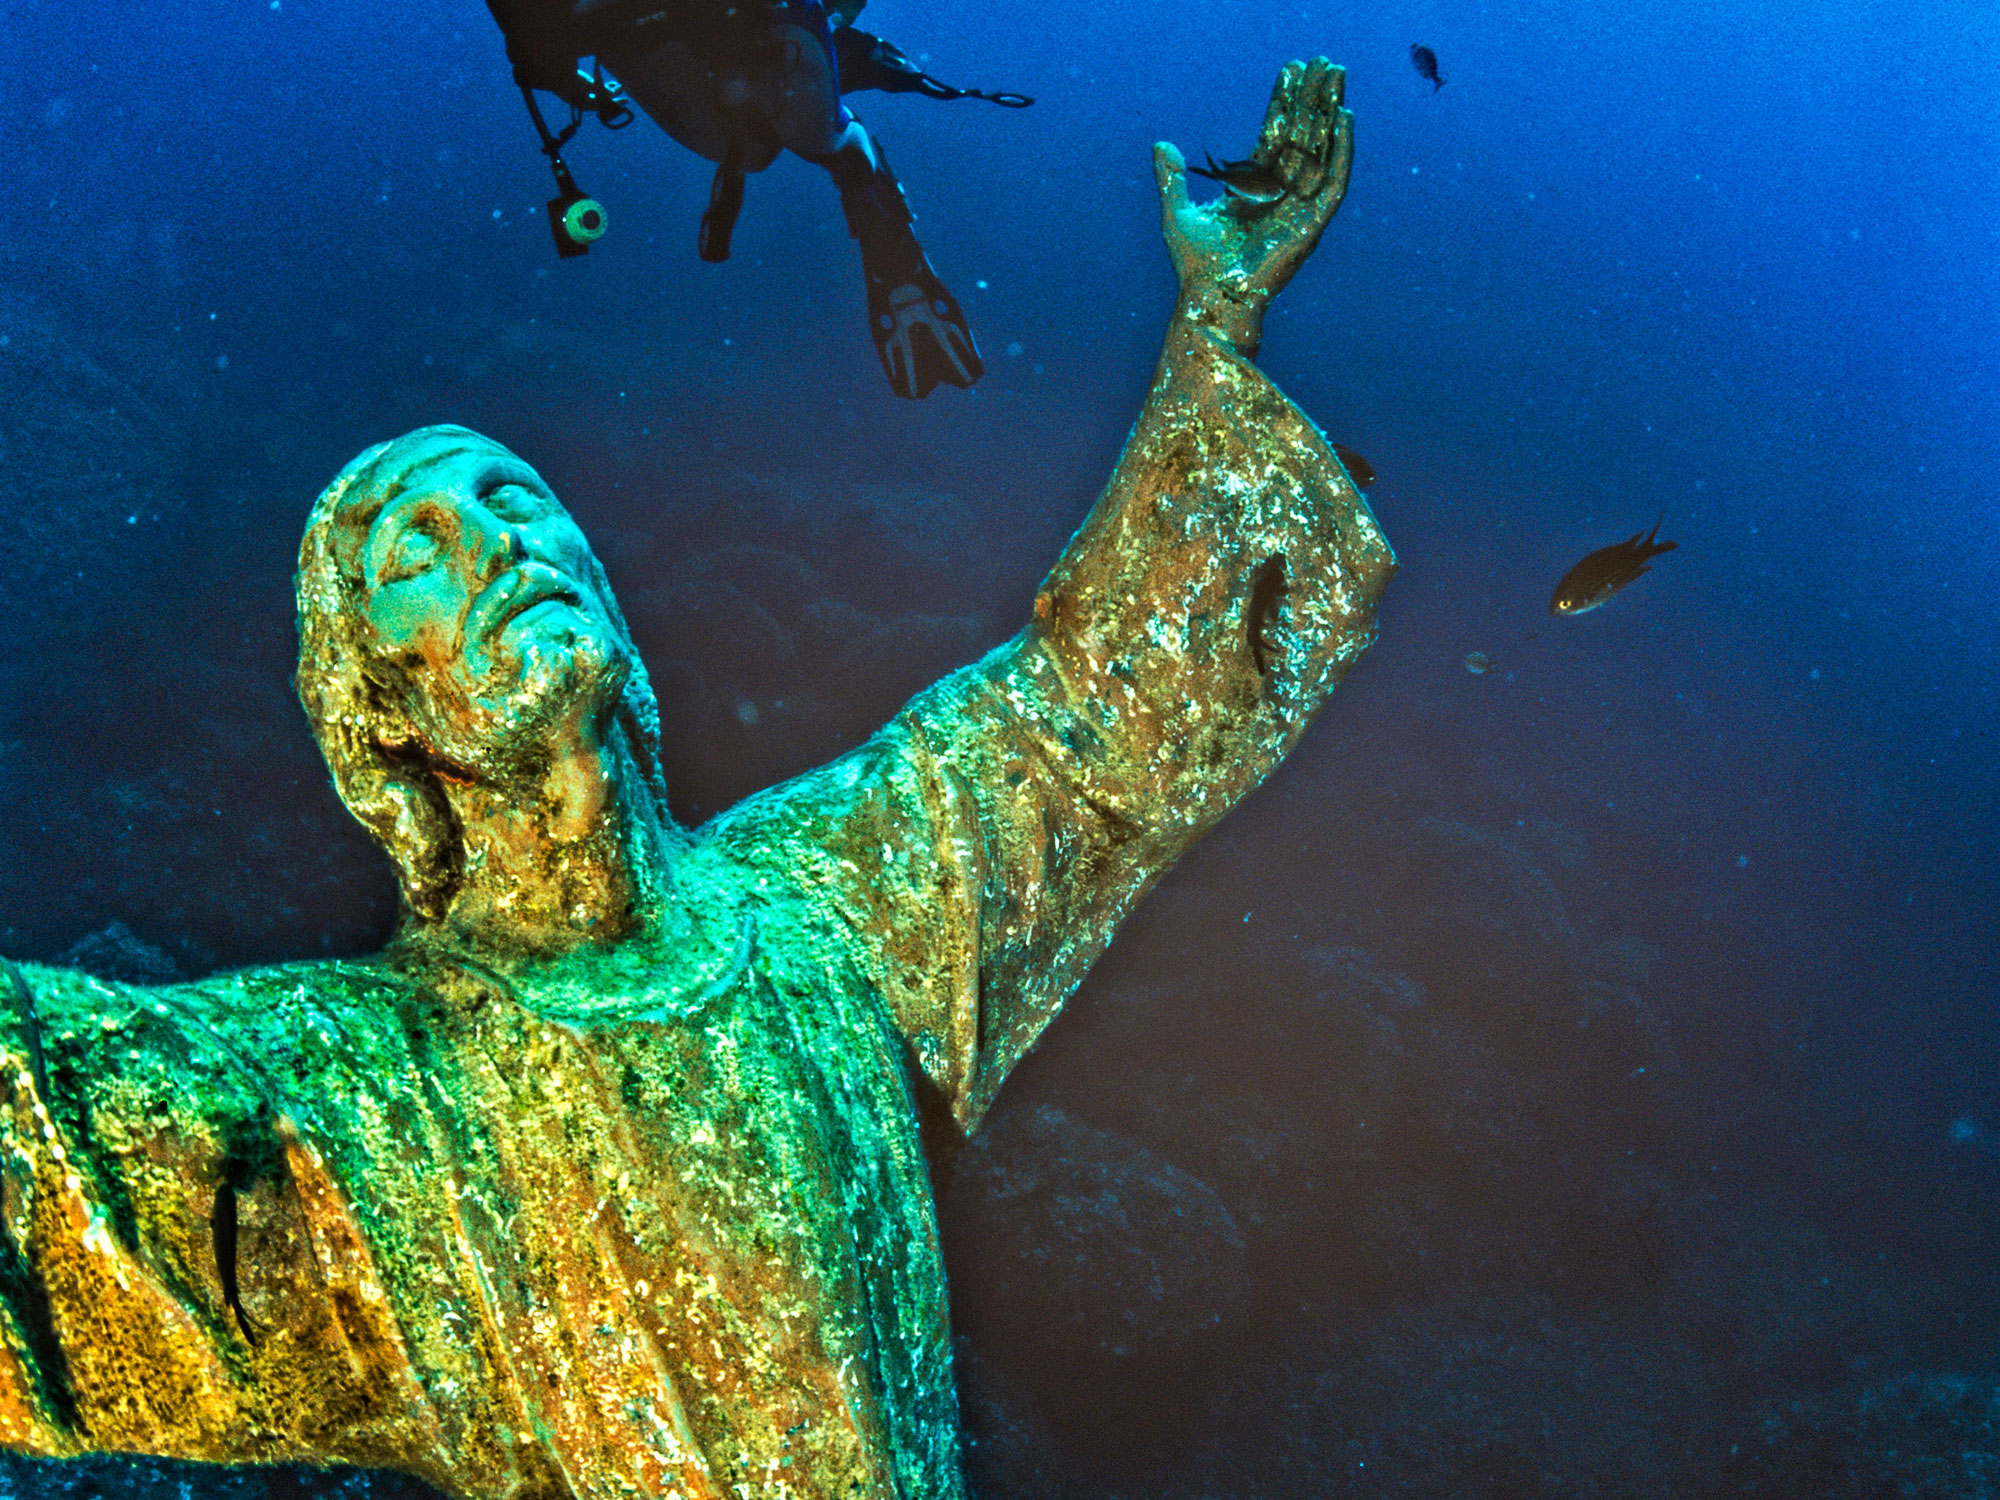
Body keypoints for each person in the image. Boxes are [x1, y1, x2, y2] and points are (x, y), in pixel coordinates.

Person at [0, 61, 1386, 1499]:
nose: (492, 543)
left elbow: (1083, 719)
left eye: (513, 499)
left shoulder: (833, 898)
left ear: (601, 580)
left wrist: (1221, 313)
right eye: (413, 550)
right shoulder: (365, 1095)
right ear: (382, 714)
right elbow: (50, 1138)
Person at [487, 0, 1005, 400]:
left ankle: (832, 78)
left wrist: (577, 87)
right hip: (773, 41)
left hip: (675, 71)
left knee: (755, 147)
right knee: (814, 141)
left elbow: (532, 51)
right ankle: (847, 111)